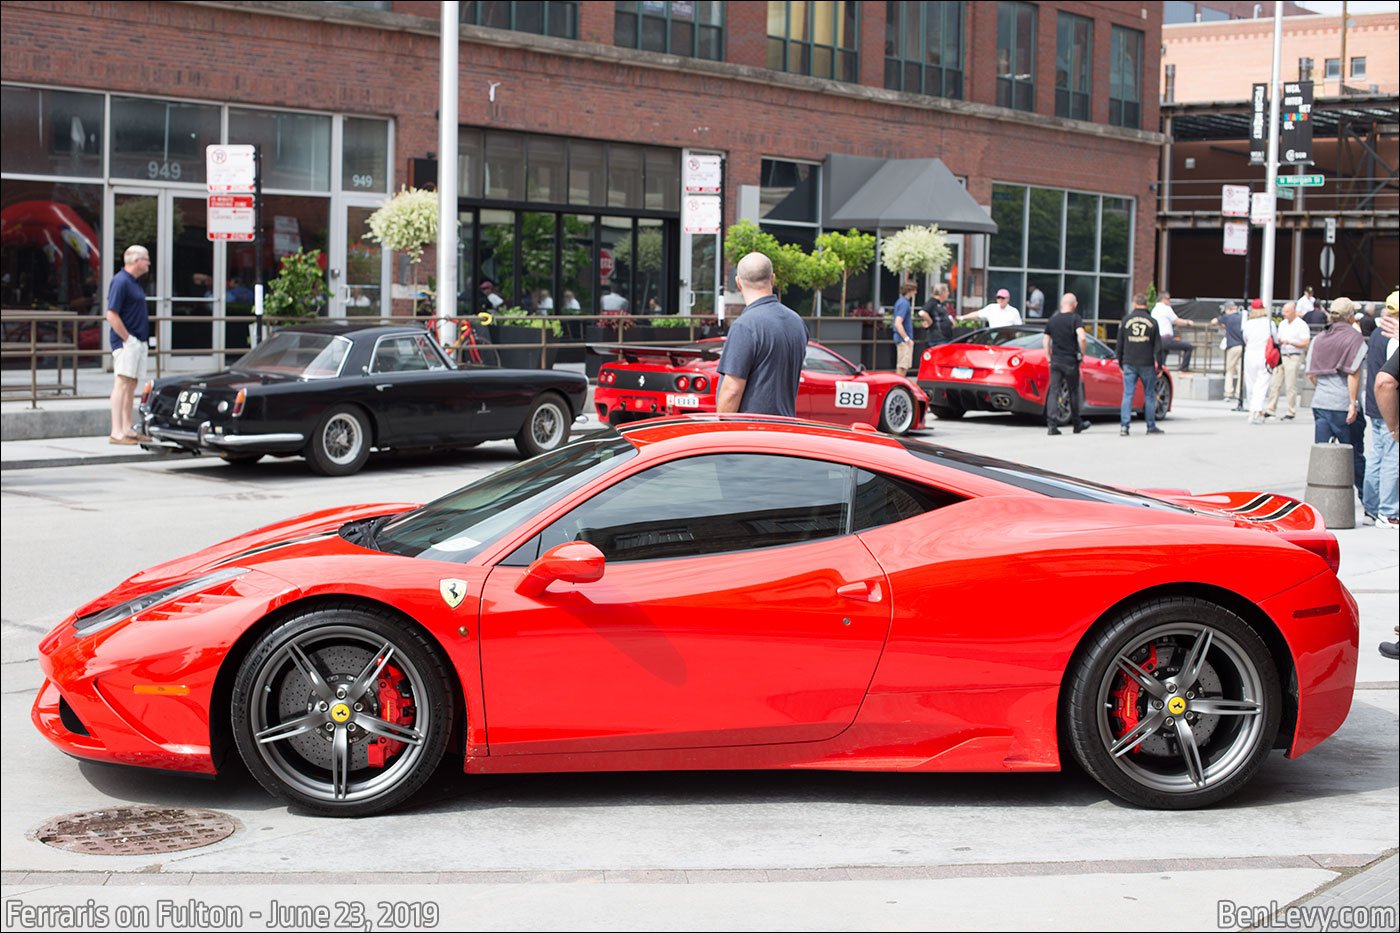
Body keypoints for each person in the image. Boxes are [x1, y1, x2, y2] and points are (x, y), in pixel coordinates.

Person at [715, 252, 807, 416]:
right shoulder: (797, 322)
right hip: (786, 430)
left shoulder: (744, 326)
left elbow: (731, 391)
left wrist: (720, 427)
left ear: (738, 283)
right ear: (772, 279)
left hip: (750, 434)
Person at [1306, 296, 1367, 498]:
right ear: (1351, 316)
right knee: (1353, 454)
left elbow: (1312, 374)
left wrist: (1324, 389)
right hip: (1343, 403)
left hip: (1321, 402)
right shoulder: (1354, 338)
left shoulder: (1319, 338)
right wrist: (1353, 403)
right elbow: (1353, 373)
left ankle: (1320, 500)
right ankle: (1368, 501)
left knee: (1322, 454)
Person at [106, 245, 152, 445]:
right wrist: (127, 339)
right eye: (146, 259)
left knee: (131, 384)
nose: (149, 263)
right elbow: (111, 314)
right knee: (122, 382)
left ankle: (126, 428)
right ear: (136, 261)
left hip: (137, 340)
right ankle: (116, 431)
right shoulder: (121, 281)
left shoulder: (133, 282)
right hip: (128, 341)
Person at [1361, 296, 1398, 528]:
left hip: (1376, 404)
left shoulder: (1376, 332)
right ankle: (1389, 510)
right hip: (1390, 405)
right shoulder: (1393, 337)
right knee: (1392, 457)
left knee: (1376, 455)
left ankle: (1372, 508)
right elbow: (1388, 380)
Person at [1116, 292, 1165, 436]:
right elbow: (1158, 347)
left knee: (1128, 394)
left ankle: (1124, 426)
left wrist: (1120, 363)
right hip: (1146, 362)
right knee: (1149, 395)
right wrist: (1160, 366)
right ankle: (1151, 426)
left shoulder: (1126, 320)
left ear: (1135, 304)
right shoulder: (1152, 321)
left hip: (1129, 362)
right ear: (1145, 304)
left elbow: (1120, 344)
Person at [1042, 293, 1089, 435]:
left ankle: (1052, 425)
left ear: (1061, 304)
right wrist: (1082, 353)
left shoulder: (1052, 320)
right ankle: (1076, 423)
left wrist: (1048, 358)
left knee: (1054, 392)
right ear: (1075, 305)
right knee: (1073, 391)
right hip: (1070, 361)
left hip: (1055, 360)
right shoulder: (1075, 319)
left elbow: (1045, 341)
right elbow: (1082, 338)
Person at [1265, 301, 1310, 420]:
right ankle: (1270, 409)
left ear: (1294, 312)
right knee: (1275, 383)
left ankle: (1291, 410)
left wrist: (1291, 342)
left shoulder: (1301, 325)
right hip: (1282, 354)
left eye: (1287, 312)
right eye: (1283, 311)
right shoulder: (1283, 324)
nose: (1284, 314)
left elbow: (1306, 343)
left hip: (1293, 355)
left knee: (1290, 384)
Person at [1242, 301, 1274, 424]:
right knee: (1262, 384)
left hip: (1250, 353)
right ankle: (1255, 412)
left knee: (1251, 383)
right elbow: (1275, 339)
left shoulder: (1248, 324)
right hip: (1265, 354)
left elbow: (1245, 339)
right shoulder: (1269, 324)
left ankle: (1255, 411)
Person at [1151, 291, 1193, 372]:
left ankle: (1161, 372)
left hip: (1157, 339)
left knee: (1162, 358)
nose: (1169, 301)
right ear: (1164, 299)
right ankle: (1184, 369)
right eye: (1168, 299)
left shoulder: (1154, 309)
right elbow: (1176, 321)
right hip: (1166, 338)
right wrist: (1188, 322)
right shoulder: (1166, 308)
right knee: (1188, 347)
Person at [1212, 301, 1245, 402]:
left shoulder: (1227, 317)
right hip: (1242, 345)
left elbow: (1213, 321)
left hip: (1232, 346)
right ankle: (1239, 393)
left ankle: (1228, 393)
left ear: (1228, 309)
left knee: (1230, 370)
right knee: (1241, 371)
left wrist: (1221, 326)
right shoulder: (1241, 317)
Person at [957, 288, 1021, 327]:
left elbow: (1019, 327)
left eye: (1003, 298)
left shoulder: (1013, 311)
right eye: (998, 297)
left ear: (1008, 299)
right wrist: (961, 317)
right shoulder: (991, 308)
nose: (1000, 299)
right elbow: (976, 314)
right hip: (994, 338)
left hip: (1008, 340)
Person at [918, 282, 955, 347]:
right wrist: (929, 321)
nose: (948, 293)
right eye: (947, 291)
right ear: (942, 292)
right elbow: (922, 313)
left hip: (944, 338)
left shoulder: (939, 303)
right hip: (938, 339)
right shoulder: (932, 302)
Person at [892, 282, 916, 376]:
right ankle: (899, 387)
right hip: (903, 339)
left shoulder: (901, 302)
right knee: (902, 365)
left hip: (901, 338)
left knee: (903, 365)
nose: (915, 292)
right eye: (914, 290)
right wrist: (906, 338)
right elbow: (898, 323)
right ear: (909, 291)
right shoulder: (904, 303)